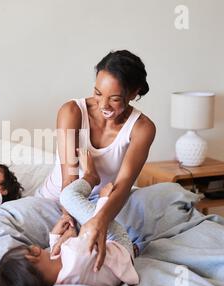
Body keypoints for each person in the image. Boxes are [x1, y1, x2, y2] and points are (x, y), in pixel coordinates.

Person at [36, 50, 156, 266]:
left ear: (133, 93)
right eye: (98, 93)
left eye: (115, 99)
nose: (103, 105)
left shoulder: (142, 128)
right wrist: (68, 220)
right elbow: (69, 180)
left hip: (104, 203)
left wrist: (100, 221)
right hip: (60, 198)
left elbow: (123, 186)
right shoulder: (72, 111)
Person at [0, 150, 139, 286]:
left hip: (119, 266)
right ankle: (91, 176)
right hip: (119, 244)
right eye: (29, 249)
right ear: (33, 255)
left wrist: (55, 238)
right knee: (68, 196)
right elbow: (94, 229)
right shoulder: (75, 252)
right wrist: (104, 200)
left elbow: (57, 260)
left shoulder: (60, 282)